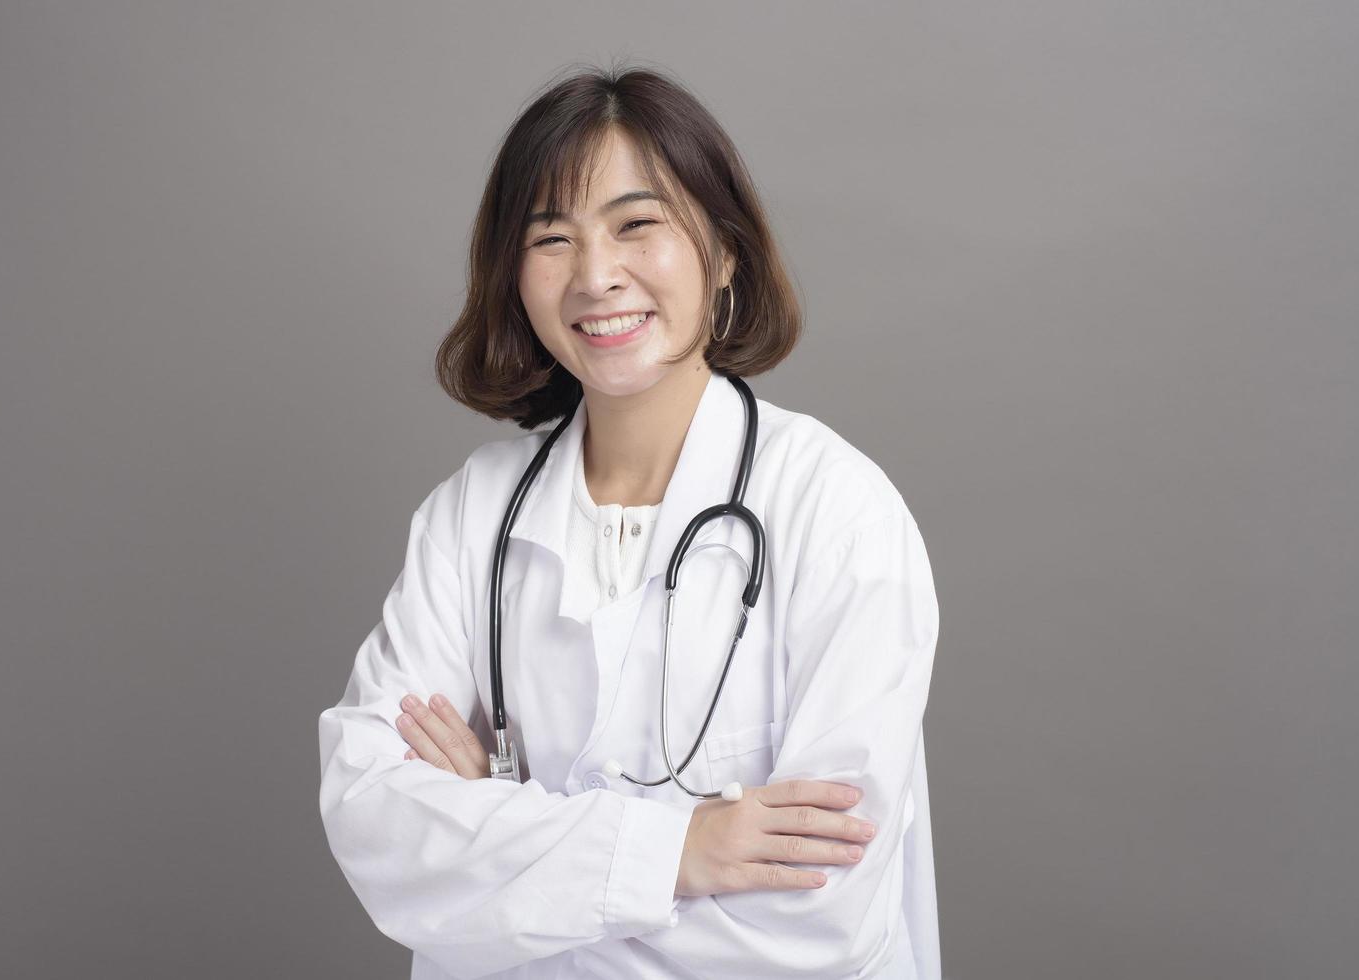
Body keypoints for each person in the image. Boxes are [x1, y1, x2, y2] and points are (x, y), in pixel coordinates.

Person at [318, 66, 941, 980]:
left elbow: (819, 922)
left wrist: (501, 853)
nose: (596, 275)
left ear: (725, 252)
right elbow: (377, 824)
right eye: (552, 238)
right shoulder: (471, 516)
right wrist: (681, 852)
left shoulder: (836, 510)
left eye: (637, 224)